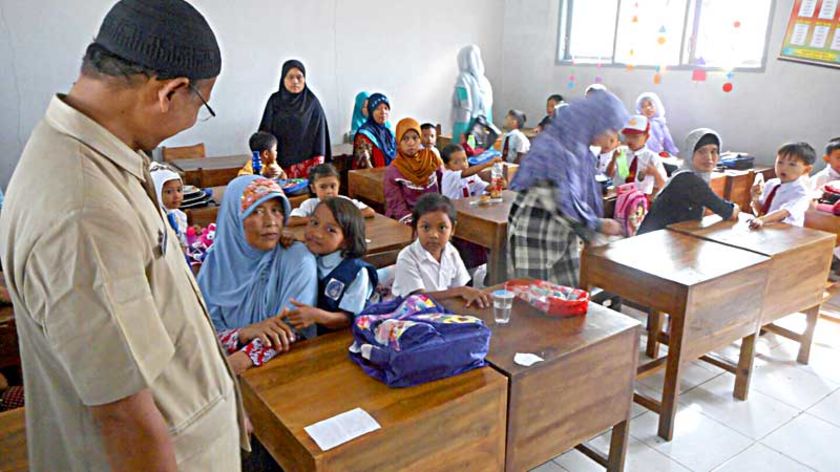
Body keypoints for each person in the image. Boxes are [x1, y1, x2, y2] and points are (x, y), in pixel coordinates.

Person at [0, 1, 247, 470]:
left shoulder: (99, 154)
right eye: (202, 105)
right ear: (170, 92)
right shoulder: (82, 211)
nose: (196, 119)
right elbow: (123, 417)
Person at [198, 176, 318, 374]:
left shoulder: (297, 259)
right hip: (220, 368)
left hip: (283, 368)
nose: (271, 222)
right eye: (256, 211)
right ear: (234, 218)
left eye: (277, 211)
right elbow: (200, 333)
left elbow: (291, 330)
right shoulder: (216, 263)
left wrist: (241, 359)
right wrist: (242, 333)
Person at [508, 92, 627, 287]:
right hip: (535, 235)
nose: (612, 136)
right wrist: (596, 224)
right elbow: (557, 199)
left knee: (565, 296)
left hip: (564, 234)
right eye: (610, 129)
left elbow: (581, 197)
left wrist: (593, 227)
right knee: (534, 301)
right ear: (594, 122)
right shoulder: (554, 148)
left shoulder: (581, 151)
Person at [286, 198, 377, 333]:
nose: (316, 233)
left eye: (330, 230)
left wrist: (317, 316)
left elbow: (348, 318)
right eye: (314, 222)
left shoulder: (356, 272)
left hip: (336, 339)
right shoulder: (308, 253)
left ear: (347, 241)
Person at [392, 193, 490, 307]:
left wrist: (463, 291)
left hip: (441, 312)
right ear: (416, 228)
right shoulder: (407, 257)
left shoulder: (451, 252)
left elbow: (459, 288)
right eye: (426, 227)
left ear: (452, 229)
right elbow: (418, 299)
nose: (434, 235)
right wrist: (460, 291)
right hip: (409, 316)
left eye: (442, 228)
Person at [638, 129, 740, 234]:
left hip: (671, 240)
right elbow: (729, 212)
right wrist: (735, 208)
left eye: (714, 152)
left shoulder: (686, 175)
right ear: (689, 154)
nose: (709, 158)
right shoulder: (688, 180)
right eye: (702, 151)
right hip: (650, 244)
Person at [259, 59, 331, 178]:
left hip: (307, 167)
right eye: (290, 77)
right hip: (278, 165)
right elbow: (265, 133)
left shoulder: (312, 103)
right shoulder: (275, 101)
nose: (295, 81)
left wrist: (318, 166)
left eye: (299, 77)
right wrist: (268, 162)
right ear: (283, 79)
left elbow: (320, 135)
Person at [384, 118, 444, 224]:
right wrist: (418, 224)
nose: (411, 143)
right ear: (398, 141)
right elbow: (397, 206)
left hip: (436, 213)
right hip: (409, 220)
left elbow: (444, 185)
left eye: (415, 138)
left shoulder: (432, 158)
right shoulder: (394, 170)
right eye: (405, 139)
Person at [749, 142, 815, 229]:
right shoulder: (771, 184)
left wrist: (762, 220)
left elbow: (784, 212)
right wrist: (755, 197)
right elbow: (761, 212)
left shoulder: (802, 192)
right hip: (768, 229)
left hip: (788, 234)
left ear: (807, 169)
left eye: (792, 164)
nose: (784, 168)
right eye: (780, 162)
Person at [287, 163, 374, 227]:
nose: (329, 191)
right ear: (313, 188)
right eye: (323, 187)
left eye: (333, 186)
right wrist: (320, 220)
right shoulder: (310, 204)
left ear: (339, 185)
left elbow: (369, 211)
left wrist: (344, 217)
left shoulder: (344, 201)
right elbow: (291, 221)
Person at [606, 115, 667, 197]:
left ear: (646, 137)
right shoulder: (621, 153)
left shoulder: (651, 157)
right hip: (618, 196)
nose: (630, 140)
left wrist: (655, 173)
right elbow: (609, 174)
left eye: (635, 137)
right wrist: (613, 160)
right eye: (627, 136)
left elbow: (663, 185)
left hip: (639, 200)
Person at [451, 45, 494, 143]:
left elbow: (465, 108)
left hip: (466, 127)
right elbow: (488, 110)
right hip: (481, 128)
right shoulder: (484, 81)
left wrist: (461, 132)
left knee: (461, 155)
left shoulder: (463, 79)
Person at [353, 92, 396, 168]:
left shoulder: (389, 133)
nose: (383, 112)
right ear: (370, 111)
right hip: (373, 177)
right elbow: (364, 165)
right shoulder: (364, 134)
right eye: (378, 108)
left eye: (386, 108)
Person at [150, 163, 188, 247]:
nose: (177, 196)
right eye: (169, 192)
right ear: (156, 193)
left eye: (179, 190)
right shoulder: (154, 219)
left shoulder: (178, 215)